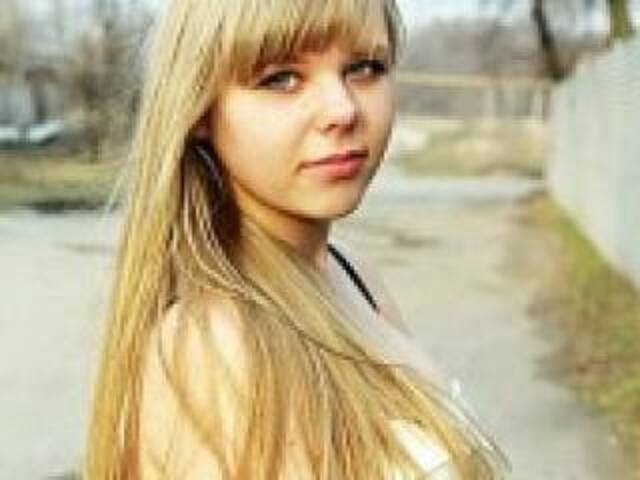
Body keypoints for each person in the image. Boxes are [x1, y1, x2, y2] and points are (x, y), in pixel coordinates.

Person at [84, 0, 509, 478]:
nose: (343, 110)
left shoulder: (353, 273)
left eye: (365, 68)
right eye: (281, 78)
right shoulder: (216, 342)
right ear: (200, 109)